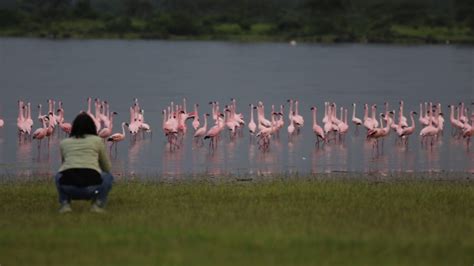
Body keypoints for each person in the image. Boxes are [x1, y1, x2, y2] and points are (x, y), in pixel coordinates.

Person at [54, 112, 114, 213]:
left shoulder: (64, 143)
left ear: (73, 127)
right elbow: (107, 168)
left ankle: (65, 204)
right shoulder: (97, 141)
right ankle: (97, 204)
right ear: (92, 127)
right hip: (92, 188)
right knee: (108, 176)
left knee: (58, 175)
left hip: (68, 187)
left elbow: (64, 166)